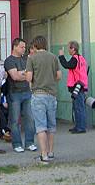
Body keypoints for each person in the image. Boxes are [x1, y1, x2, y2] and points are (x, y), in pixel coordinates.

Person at [26, 35, 61, 164]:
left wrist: (30, 76)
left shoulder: (32, 58)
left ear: (35, 46)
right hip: (51, 95)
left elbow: (29, 78)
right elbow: (58, 76)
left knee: (41, 126)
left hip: (38, 94)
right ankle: (51, 152)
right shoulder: (53, 57)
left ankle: (43, 154)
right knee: (51, 126)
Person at [4, 38, 37, 153]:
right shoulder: (9, 60)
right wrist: (25, 74)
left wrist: (22, 74)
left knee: (30, 119)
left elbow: (31, 75)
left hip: (27, 92)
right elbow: (15, 77)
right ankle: (17, 143)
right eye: (22, 47)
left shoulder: (26, 59)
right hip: (14, 93)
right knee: (14, 120)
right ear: (15, 47)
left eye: (24, 47)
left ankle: (30, 142)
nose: (24, 49)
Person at [58, 40, 88, 134]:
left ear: (73, 49)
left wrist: (61, 56)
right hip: (81, 85)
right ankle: (78, 126)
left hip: (77, 86)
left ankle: (81, 127)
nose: (68, 50)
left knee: (79, 107)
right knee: (78, 107)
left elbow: (66, 65)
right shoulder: (81, 58)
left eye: (69, 48)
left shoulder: (75, 58)